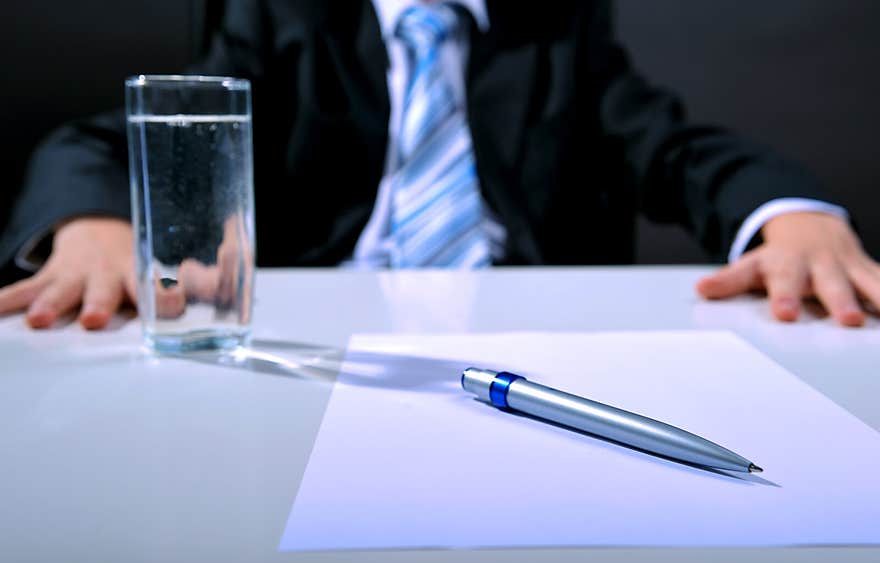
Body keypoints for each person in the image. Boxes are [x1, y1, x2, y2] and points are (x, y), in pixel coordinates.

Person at [0, 0, 877, 330]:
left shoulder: (557, 33)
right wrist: (94, 224)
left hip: (529, 325)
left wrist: (790, 212)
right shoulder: (282, 21)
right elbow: (117, 137)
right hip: (320, 327)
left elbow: (676, 148)